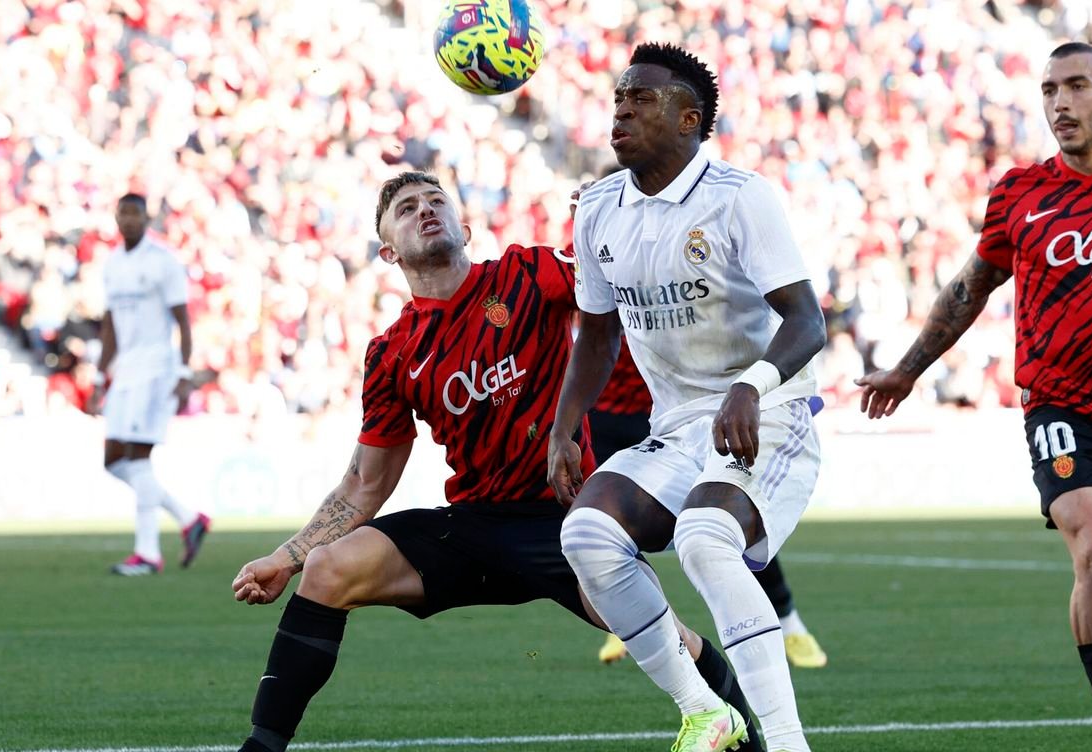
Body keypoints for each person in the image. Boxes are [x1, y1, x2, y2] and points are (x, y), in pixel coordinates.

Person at [229, 171, 760, 752]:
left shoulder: (526, 271)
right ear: (388, 251)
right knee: (328, 568)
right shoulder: (392, 353)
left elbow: (619, 278)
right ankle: (260, 748)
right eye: (406, 209)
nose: (425, 210)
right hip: (475, 526)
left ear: (466, 227)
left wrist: (616, 217)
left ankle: (749, 737)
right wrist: (286, 558)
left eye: (436, 201)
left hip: (567, 521)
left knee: (668, 641)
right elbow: (364, 483)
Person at [855, 43, 1092, 752]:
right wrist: (907, 370)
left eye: (1075, 87)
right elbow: (969, 289)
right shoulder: (1019, 194)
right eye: (1048, 91)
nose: (1059, 103)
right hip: (1059, 406)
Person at [549, 43, 826, 752]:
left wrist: (750, 386)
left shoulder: (739, 196)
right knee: (585, 536)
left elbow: (806, 320)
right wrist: (564, 427)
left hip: (770, 412)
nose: (621, 110)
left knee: (705, 540)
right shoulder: (600, 207)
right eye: (617, 98)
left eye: (640, 99)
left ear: (687, 119)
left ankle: (790, 743)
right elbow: (596, 334)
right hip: (676, 427)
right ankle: (706, 710)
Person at [592, 342, 828, 669]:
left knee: (731, 518)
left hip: (681, 414)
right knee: (613, 526)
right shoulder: (594, 292)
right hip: (602, 415)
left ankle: (789, 622)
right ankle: (629, 621)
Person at [95, 193, 209, 576]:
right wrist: (100, 374)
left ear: (147, 218)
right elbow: (110, 323)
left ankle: (147, 553)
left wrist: (181, 373)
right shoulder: (112, 264)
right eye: (122, 213)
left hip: (156, 369)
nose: (128, 220)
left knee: (139, 458)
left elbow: (183, 322)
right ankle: (188, 517)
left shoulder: (162, 262)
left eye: (135, 214)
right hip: (125, 371)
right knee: (113, 460)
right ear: (115, 217)